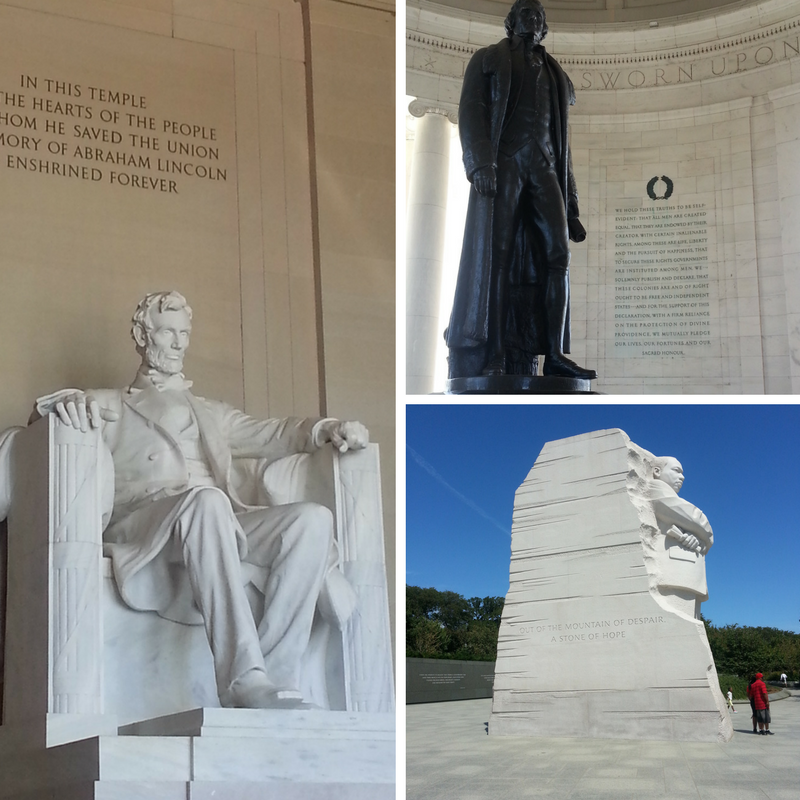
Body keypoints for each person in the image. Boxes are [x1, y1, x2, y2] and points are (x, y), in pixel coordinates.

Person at [31, 291, 369, 710]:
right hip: (146, 524)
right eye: (168, 332)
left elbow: (275, 433)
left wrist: (327, 428)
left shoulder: (211, 412)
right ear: (141, 334)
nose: (178, 344)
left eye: (184, 334)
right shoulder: (111, 402)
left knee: (312, 520)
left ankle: (277, 676)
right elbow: (43, 415)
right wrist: (70, 403)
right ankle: (241, 679)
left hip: (215, 519)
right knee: (207, 500)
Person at [445, 0, 596, 382]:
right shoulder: (487, 59)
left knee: (558, 255)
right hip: (505, 161)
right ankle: (494, 352)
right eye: (526, 14)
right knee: (497, 258)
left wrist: (572, 208)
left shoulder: (555, 73)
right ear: (511, 22)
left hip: (544, 166)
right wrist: (480, 163)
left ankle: (555, 355)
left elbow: (564, 149)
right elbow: (471, 112)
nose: (533, 19)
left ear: (544, 27)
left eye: (539, 16)